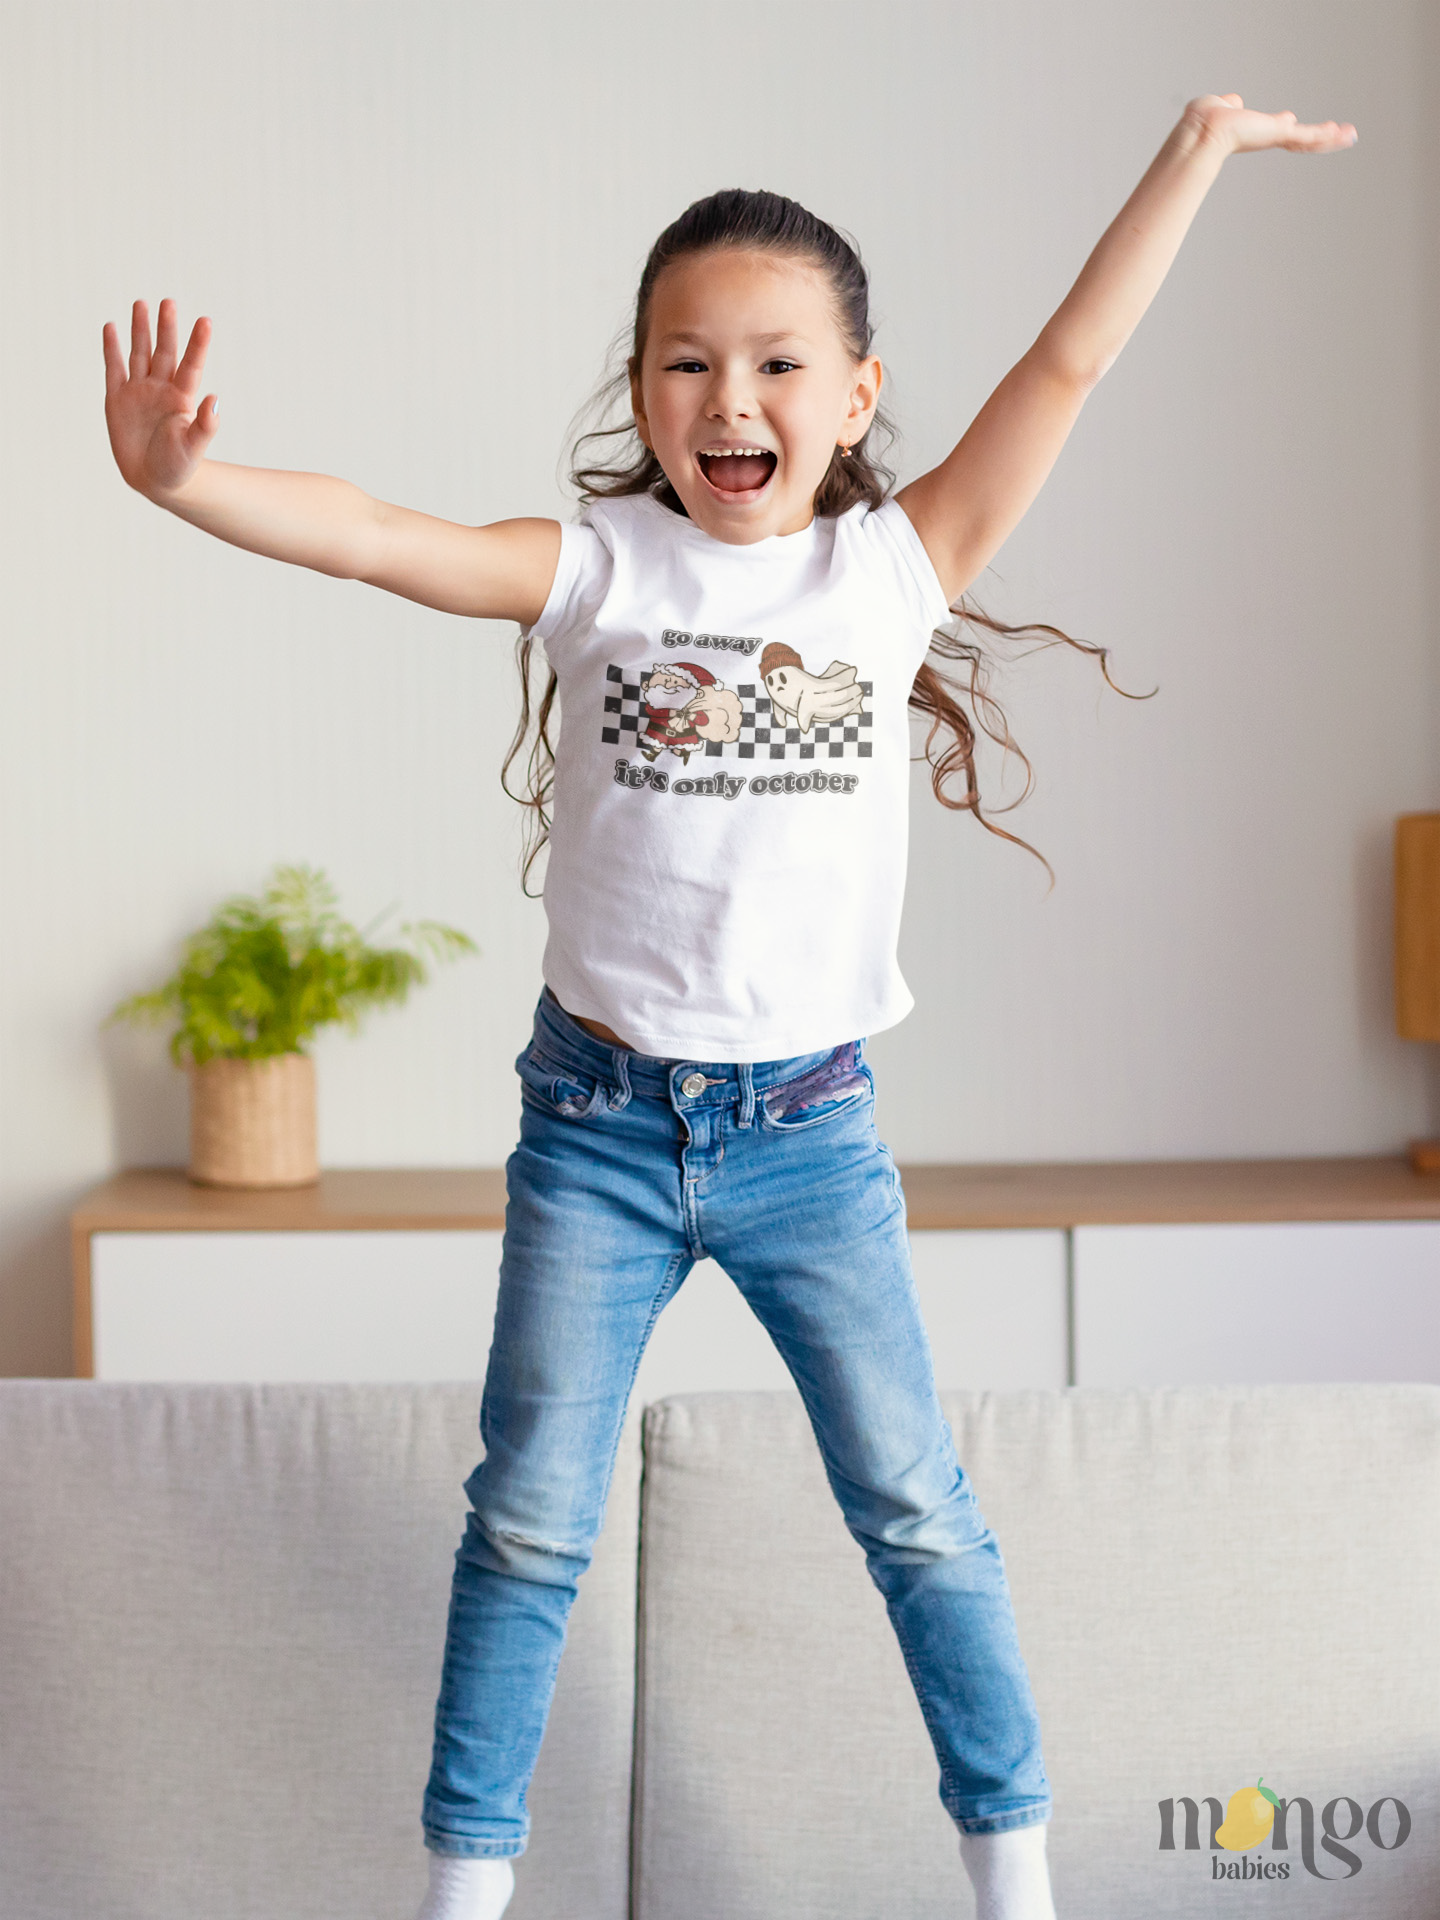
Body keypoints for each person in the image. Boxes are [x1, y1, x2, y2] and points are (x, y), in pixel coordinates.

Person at [102, 92, 1354, 1920]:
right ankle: (465, 1890)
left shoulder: (891, 574)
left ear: (854, 395)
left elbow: (1071, 362)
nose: (727, 398)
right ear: (643, 391)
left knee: (915, 1511)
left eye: (776, 362)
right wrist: (183, 479)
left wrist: (1195, 158)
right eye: (684, 363)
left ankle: (1017, 1877)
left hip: (808, 1141)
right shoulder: (603, 568)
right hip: (597, 1132)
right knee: (528, 1521)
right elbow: (377, 534)